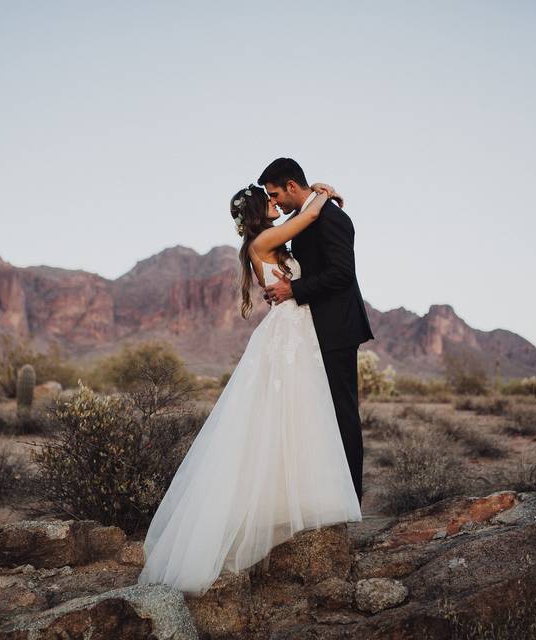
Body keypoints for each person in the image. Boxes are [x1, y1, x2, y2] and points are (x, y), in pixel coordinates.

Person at [136, 176, 362, 596]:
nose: (276, 202)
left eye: (277, 195)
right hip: (290, 333)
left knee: (301, 413)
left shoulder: (273, 243)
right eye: (271, 199)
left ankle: (298, 500)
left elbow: (311, 232)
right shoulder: (263, 243)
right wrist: (322, 194)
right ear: (261, 210)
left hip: (301, 330)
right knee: (287, 411)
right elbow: (310, 213)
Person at [259, 157, 375, 505]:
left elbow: (342, 273)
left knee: (342, 413)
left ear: (292, 186)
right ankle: (324, 493)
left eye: (276, 193)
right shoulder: (305, 217)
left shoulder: (333, 218)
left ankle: (350, 498)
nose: (275, 201)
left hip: (337, 329)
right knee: (317, 414)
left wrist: (294, 289)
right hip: (309, 334)